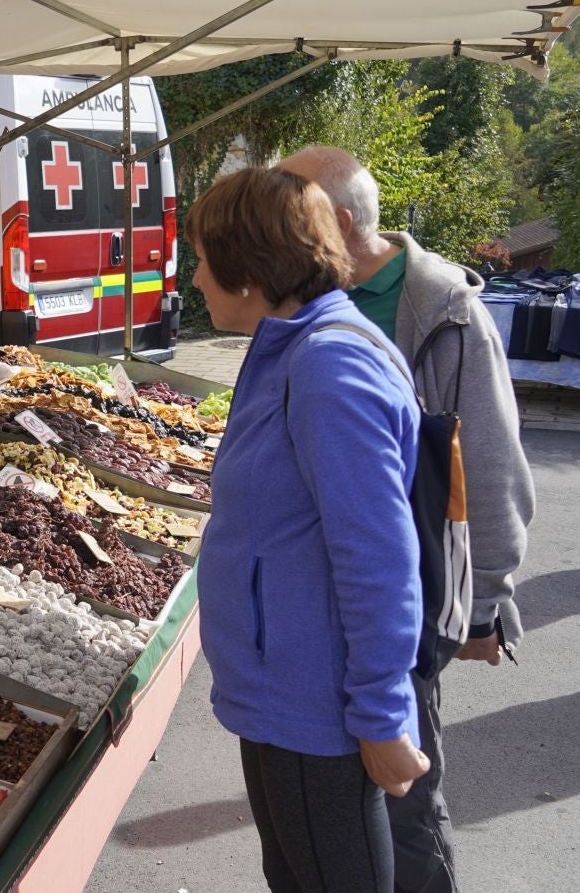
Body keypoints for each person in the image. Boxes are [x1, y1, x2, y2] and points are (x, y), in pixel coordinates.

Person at [280, 146, 535, 893]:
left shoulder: (448, 312)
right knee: (336, 812)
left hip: (408, 598)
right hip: (320, 605)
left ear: (343, 221)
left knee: (403, 807)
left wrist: (484, 600)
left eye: (292, 209)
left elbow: (488, 464)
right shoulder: (301, 291)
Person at [187, 166, 430, 893]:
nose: (194, 279)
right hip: (278, 691)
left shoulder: (328, 365)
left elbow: (379, 558)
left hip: (314, 705)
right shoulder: (291, 345)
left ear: (247, 274)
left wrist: (383, 715)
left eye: (202, 260)